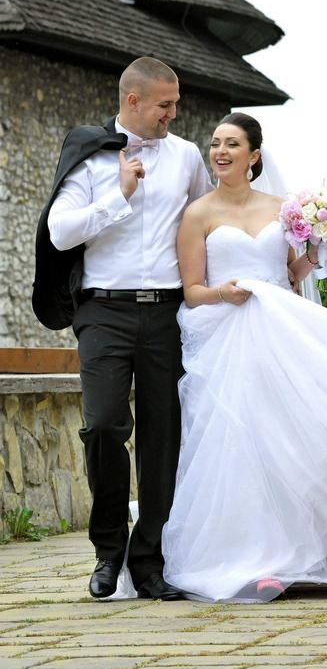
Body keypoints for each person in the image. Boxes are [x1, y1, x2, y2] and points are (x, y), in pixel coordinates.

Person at [156, 112, 327, 602]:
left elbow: (291, 274)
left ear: (253, 155)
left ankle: (322, 554)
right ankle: (259, 558)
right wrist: (223, 292)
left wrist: (323, 246)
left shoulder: (282, 209)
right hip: (228, 337)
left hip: (283, 332)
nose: (220, 152)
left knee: (302, 437)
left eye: (232, 144)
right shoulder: (198, 214)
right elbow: (192, 291)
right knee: (247, 443)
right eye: (215, 143)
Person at [39, 57, 213, 600]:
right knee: (103, 426)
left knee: (164, 436)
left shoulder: (186, 157)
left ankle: (150, 559)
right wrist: (118, 197)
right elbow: (60, 231)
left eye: (175, 104)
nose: (173, 113)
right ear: (133, 101)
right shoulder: (91, 154)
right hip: (103, 311)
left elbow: (207, 223)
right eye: (165, 104)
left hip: (167, 312)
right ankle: (108, 551)